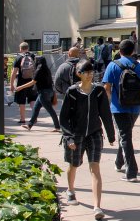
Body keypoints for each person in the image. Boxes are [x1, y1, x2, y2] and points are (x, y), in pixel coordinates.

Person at [60, 58, 115, 220]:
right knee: (73, 164)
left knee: (95, 168)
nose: (90, 75)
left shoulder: (98, 91)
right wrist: (68, 137)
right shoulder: (72, 92)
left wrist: (111, 134)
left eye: (92, 72)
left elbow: (105, 113)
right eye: (86, 72)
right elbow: (64, 118)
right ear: (79, 74)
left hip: (95, 133)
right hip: (75, 135)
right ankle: (70, 190)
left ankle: (97, 207)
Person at [102, 39, 140, 182]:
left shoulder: (112, 66)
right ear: (133, 51)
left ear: (119, 51)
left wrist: (107, 105)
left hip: (118, 108)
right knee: (125, 135)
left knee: (125, 136)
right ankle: (119, 162)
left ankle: (131, 172)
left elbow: (107, 88)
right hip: (135, 107)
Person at [19, 56, 60, 132]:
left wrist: (20, 87)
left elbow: (33, 82)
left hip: (43, 93)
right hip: (48, 92)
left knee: (50, 110)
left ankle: (57, 127)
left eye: (35, 60)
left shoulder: (39, 69)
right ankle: (29, 125)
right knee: (36, 108)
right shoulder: (46, 69)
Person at [10, 42, 38, 124]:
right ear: (28, 48)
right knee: (32, 99)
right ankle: (34, 117)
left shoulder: (18, 58)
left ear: (20, 48)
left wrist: (11, 85)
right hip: (32, 81)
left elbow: (14, 72)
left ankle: (22, 119)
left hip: (21, 82)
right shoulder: (33, 56)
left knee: (21, 101)